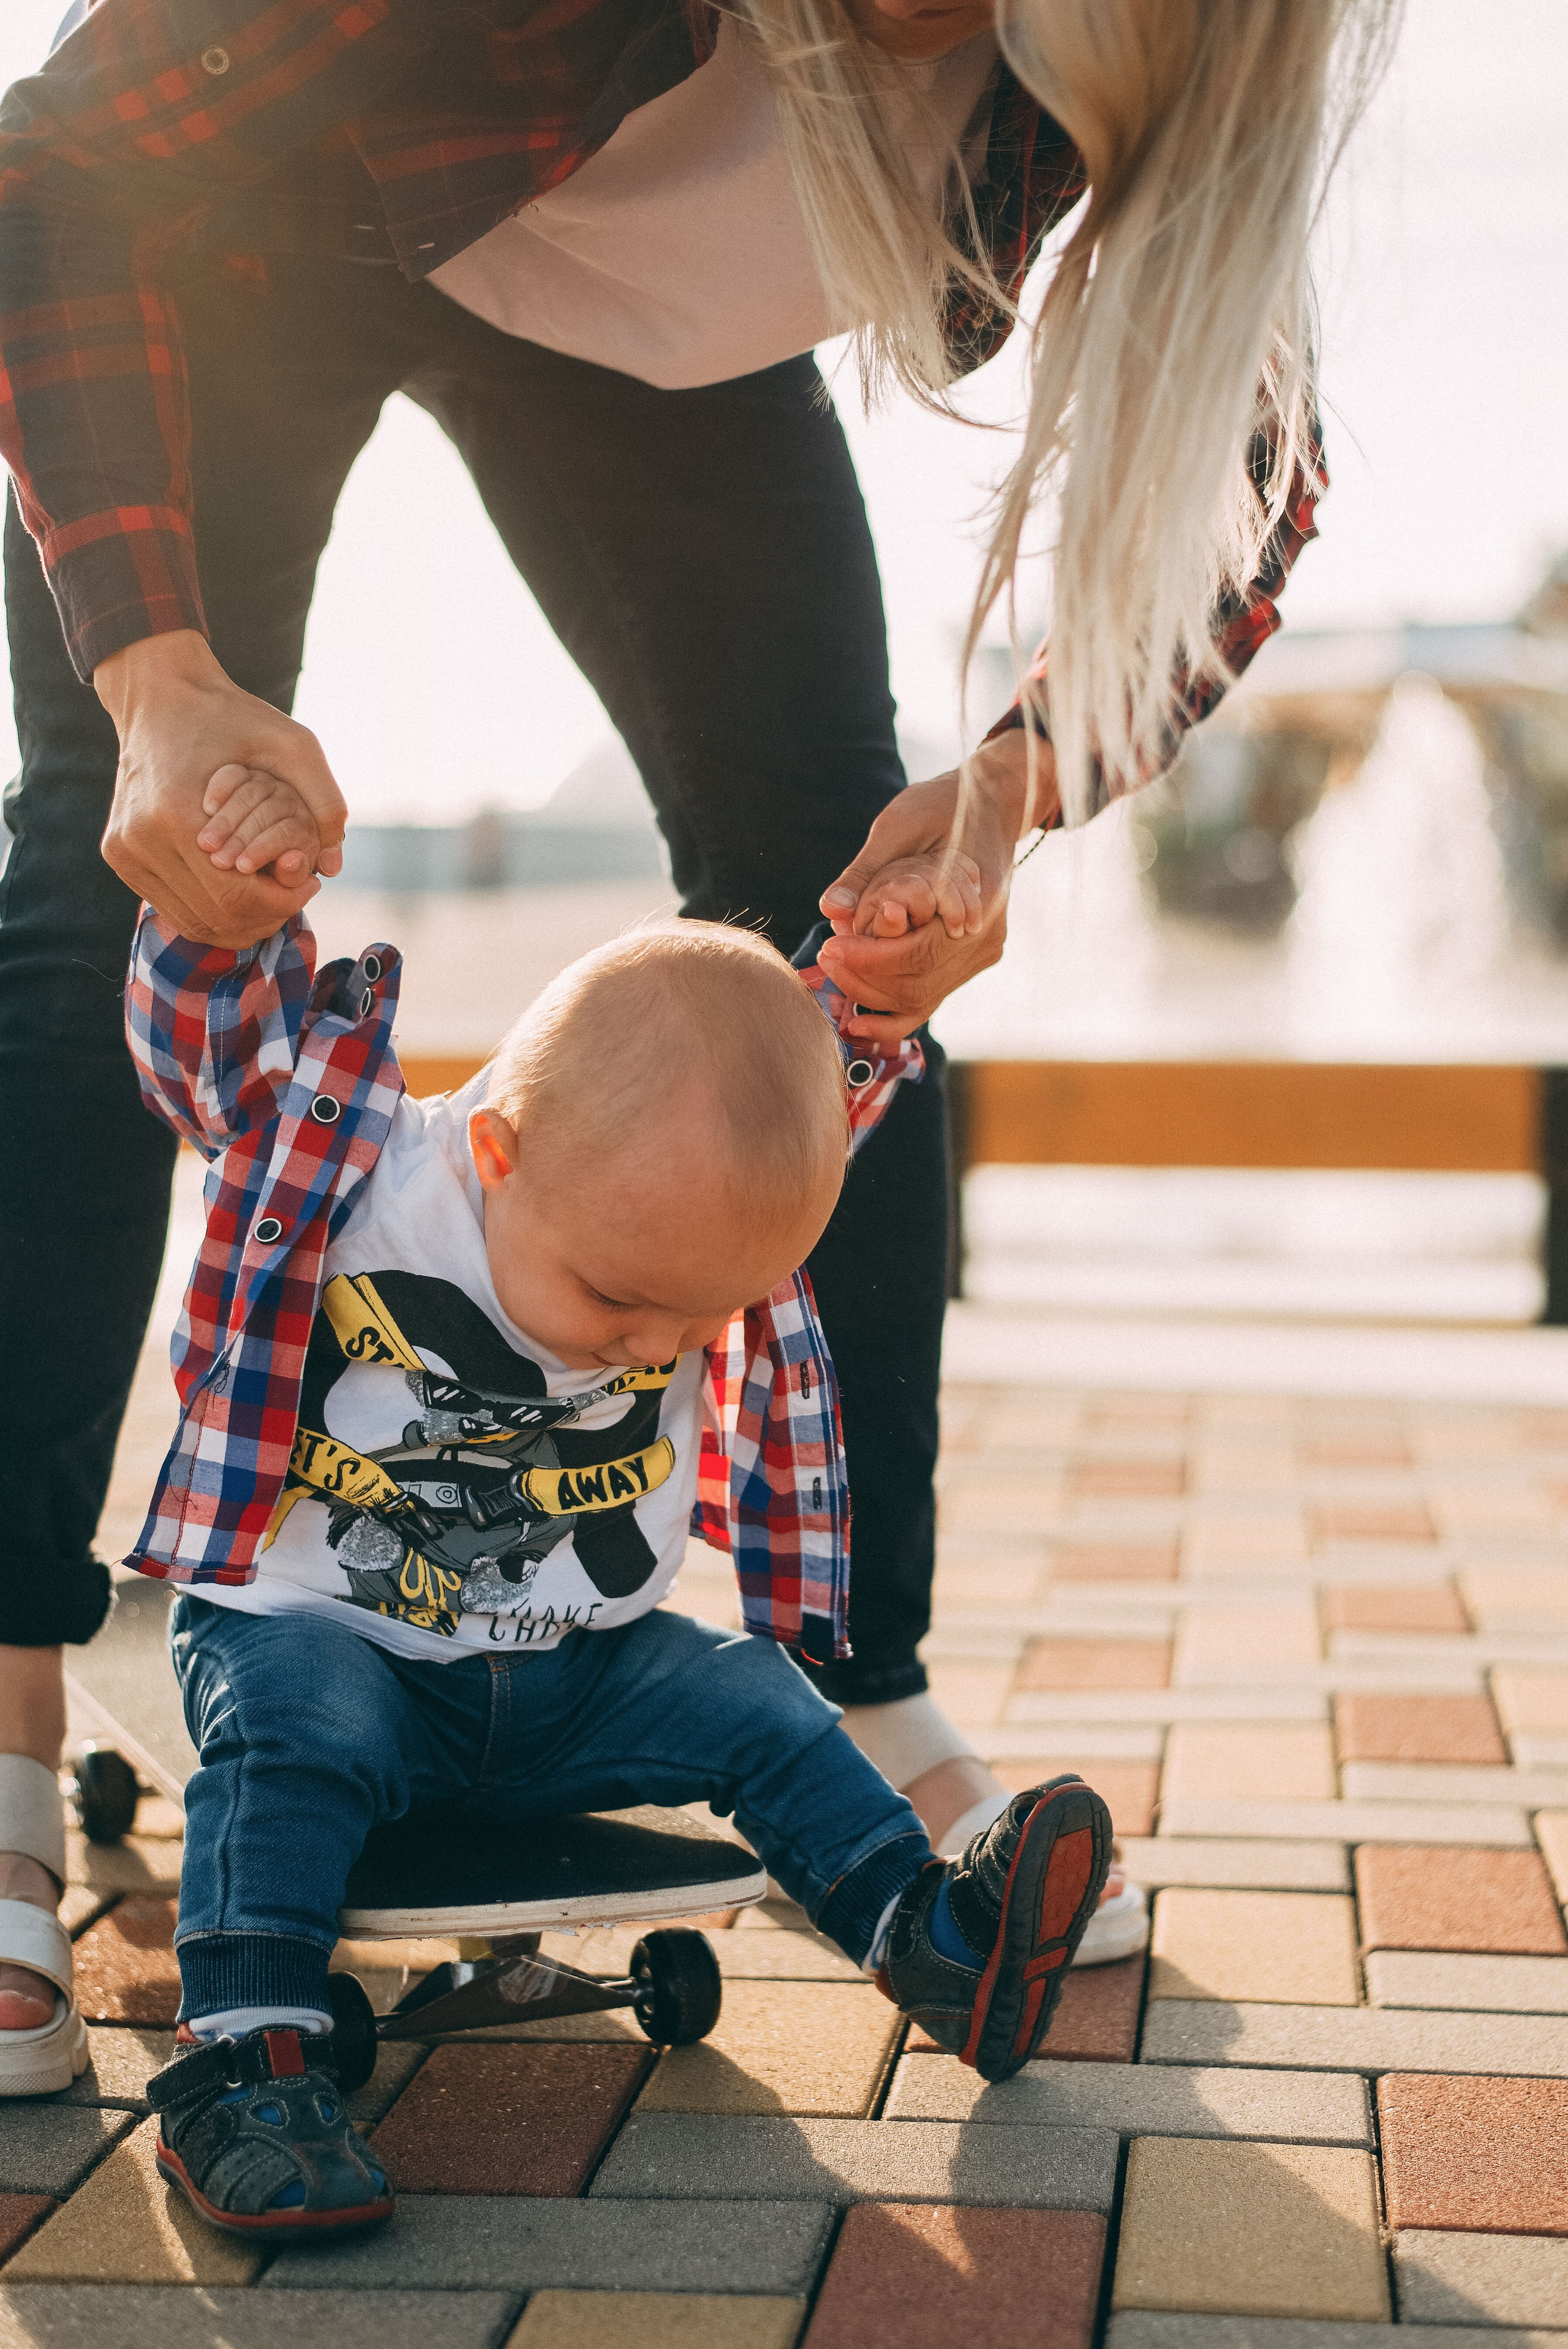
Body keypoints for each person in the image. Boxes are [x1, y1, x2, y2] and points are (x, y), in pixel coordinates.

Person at [0, 0, 1393, 2046]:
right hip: (244, 228)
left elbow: (1252, 467)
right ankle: (4, 1728)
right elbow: (56, 165)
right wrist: (150, 673)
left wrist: (1007, 788)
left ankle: (860, 1668)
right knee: (104, 886)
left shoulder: (1169, 64)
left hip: (646, 350)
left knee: (849, 905)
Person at [61, 778, 1109, 2226]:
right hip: (324, 1636)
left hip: (571, 1674)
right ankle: (243, 2055)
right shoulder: (355, 1166)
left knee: (756, 1695)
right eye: (618, 1301)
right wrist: (211, 915)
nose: (647, 1349)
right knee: (294, 1735)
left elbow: (795, 1082)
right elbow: (210, 1060)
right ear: (497, 1151)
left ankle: (925, 1933)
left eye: (696, 1322)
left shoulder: (672, 1217)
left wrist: (866, 1006)